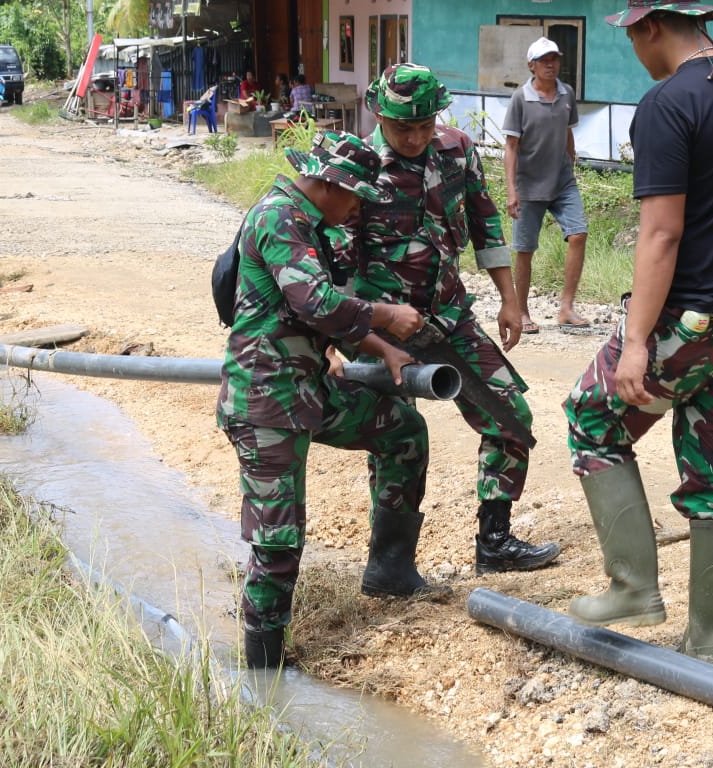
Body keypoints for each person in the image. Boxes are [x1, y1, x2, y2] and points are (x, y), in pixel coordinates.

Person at [562, 0, 713, 670]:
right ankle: (710, 644)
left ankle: (634, 587)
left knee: (590, 416)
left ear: (650, 26)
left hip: (690, 319)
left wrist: (636, 343)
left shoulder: (668, 104)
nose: (634, 45)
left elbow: (662, 234)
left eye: (632, 33)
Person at [217, 130, 431, 669]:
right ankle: (264, 668)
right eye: (355, 196)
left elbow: (322, 314)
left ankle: (390, 571)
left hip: (307, 389)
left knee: (402, 430)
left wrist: (381, 349)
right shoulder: (279, 217)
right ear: (329, 184)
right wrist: (386, 316)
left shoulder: (309, 222)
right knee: (279, 543)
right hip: (266, 401)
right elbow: (317, 302)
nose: (358, 207)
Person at [344, 62, 561, 575]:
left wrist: (510, 299)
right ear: (379, 114)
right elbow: (338, 257)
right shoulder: (357, 163)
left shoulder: (457, 149)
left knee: (510, 416)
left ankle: (495, 542)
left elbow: (485, 221)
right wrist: (344, 335)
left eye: (426, 125)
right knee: (395, 435)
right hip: (380, 325)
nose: (417, 137)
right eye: (404, 128)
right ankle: (391, 565)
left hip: (448, 316)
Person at [504, 36, 589, 334]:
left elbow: (566, 131)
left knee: (578, 234)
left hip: (563, 181)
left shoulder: (567, 94)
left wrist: (571, 159)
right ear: (532, 66)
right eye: (544, 60)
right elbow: (511, 146)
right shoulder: (520, 99)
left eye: (554, 59)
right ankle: (522, 311)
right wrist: (511, 191)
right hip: (529, 186)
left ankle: (566, 308)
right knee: (525, 249)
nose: (551, 64)